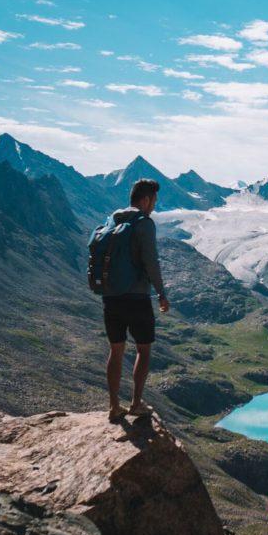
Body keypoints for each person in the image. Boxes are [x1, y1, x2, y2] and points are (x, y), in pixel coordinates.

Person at [104, 178, 169, 421]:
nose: (154, 206)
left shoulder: (114, 219)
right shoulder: (144, 223)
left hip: (111, 297)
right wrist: (161, 293)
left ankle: (113, 407)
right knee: (143, 350)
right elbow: (151, 261)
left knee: (116, 350)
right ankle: (135, 403)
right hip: (137, 297)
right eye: (153, 201)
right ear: (145, 199)